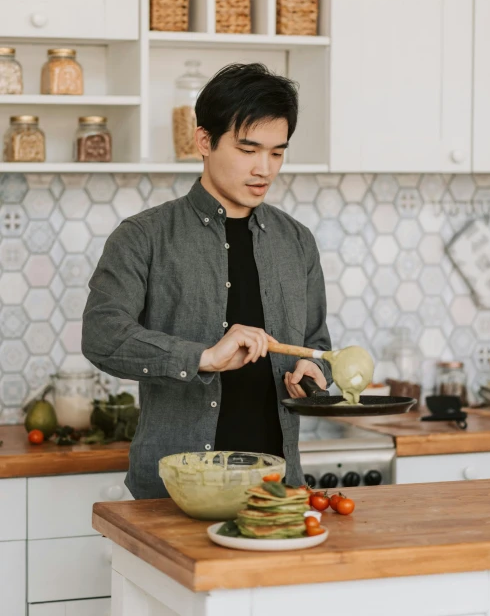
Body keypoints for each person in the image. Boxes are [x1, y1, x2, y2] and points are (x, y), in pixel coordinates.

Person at [82, 62, 332, 498]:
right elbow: (102, 336)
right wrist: (203, 357)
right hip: (172, 495)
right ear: (204, 140)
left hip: (276, 493)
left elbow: (317, 343)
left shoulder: (297, 241)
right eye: (248, 149)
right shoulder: (144, 236)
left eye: (276, 152)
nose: (264, 169)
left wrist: (314, 371)